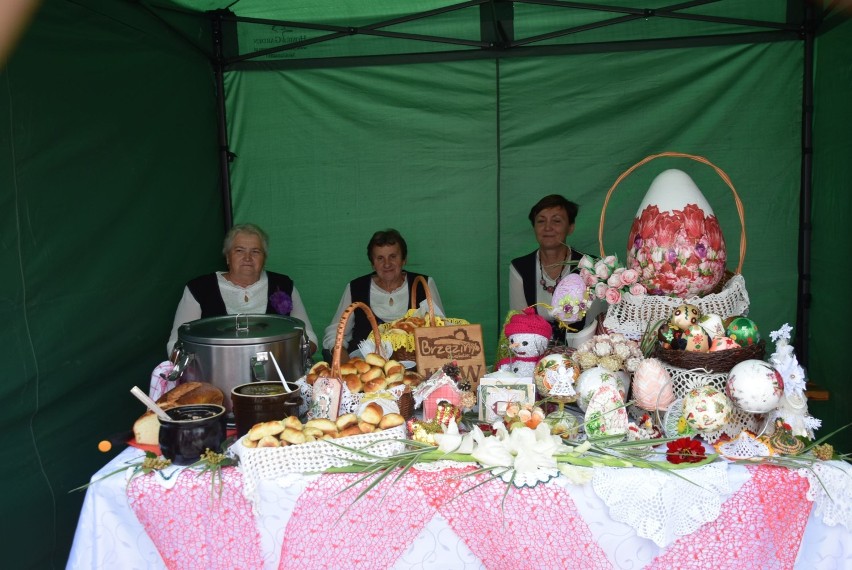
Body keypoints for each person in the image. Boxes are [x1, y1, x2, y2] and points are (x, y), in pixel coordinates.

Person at [167, 223, 317, 356]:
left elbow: (309, 337)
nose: (247, 258)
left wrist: (291, 360)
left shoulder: (283, 285)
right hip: (215, 376)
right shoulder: (199, 288)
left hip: (278, 374)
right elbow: (176, 344)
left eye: (255, 251)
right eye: (239, 250)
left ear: (264, 258)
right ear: (227, 257)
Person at [323, 229, 443, 358]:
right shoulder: (356, 287)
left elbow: (441, 329)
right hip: (366, 368)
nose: (387, 264)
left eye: (393, 256)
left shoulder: (423, 284)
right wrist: (343, 360)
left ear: (404, 259)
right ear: (372, 263)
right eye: (380, 258)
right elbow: (336, 332)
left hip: (416, 366)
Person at [509, 194, 600, 341]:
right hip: (534, 350)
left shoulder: (591, 266)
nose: (548, 228)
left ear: (570, 227)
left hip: (582, 349)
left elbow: (596, 322)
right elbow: (520, 322)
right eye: (541, 221)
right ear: (534, 227)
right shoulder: (520, 268)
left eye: (556, 221)